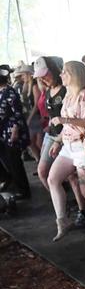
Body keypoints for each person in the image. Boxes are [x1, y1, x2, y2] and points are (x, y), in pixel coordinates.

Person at [47, 61, 85, 242]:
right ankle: (62, 221)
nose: (61, 75)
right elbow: (69, 125)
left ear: (75, 75)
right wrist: (58, 140)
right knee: (52, 179)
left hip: (84, 147)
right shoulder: (69, 95)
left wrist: (63, 119)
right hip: (68, 145)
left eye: (65, 72)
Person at [34, 57, 85, 226]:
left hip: (66, 137)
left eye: (45, 74)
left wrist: (60, 139)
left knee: (73, 177)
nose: (43, 78)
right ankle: (65, 207)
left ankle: (82, 211)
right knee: (44, 172)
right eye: (40, 76)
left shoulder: (67, 89)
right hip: (52, 135)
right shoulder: (47, 89)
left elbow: (82, 118)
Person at [0, 64, 30, 199]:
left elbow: (17, 113)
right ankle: (13, 182)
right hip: (3, 132)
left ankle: (23, 190)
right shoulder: (2, 92)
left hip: (11, 131)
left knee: (15, 162)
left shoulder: (9, 92)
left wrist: (15, 131)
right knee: (9, 161)